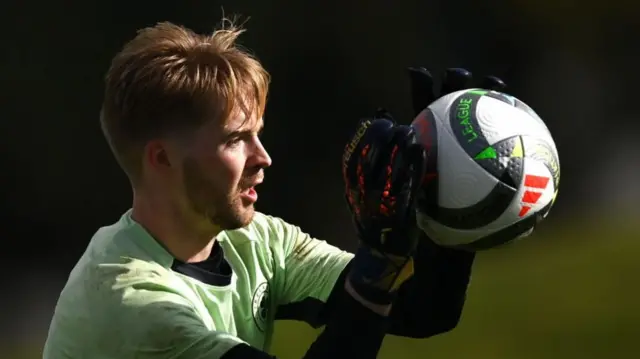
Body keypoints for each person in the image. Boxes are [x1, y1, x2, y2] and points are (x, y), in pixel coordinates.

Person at [43, 19, 507, 359]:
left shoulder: (253, 241)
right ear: (161, 158)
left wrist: (450, 193)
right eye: (234, 139)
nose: (262, 158)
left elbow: (423, 312)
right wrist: (377, 265)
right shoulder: (134, 306)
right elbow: (372, 298)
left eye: (257, 133)